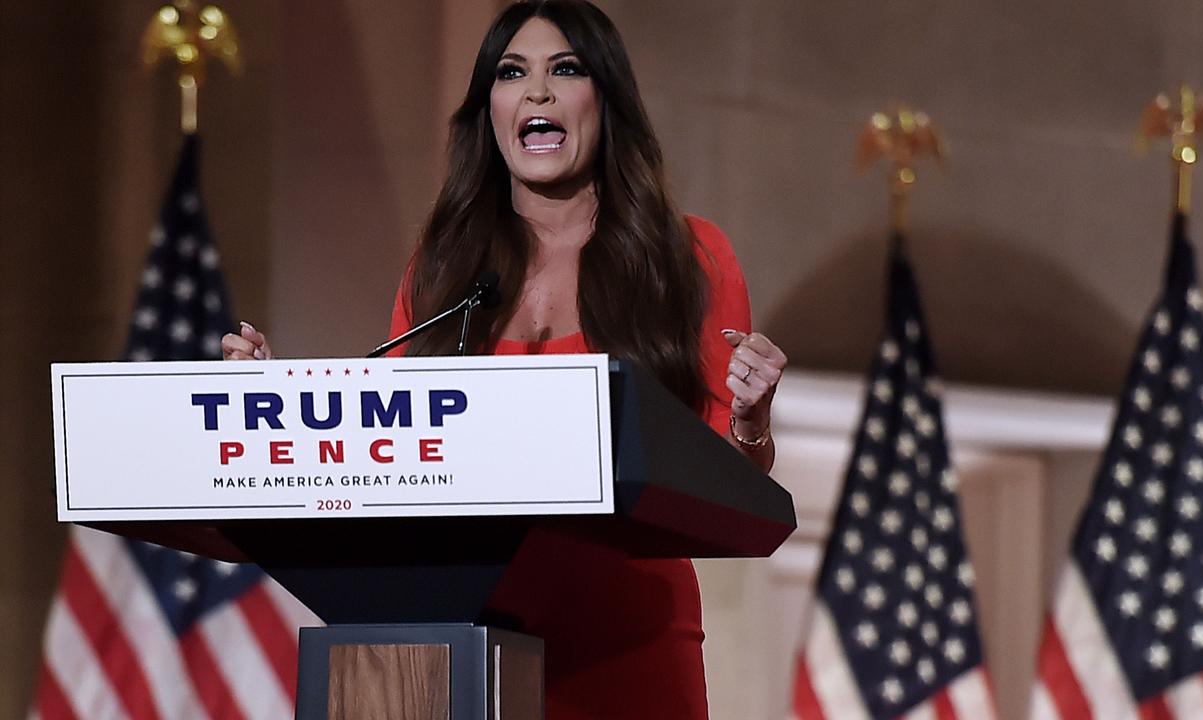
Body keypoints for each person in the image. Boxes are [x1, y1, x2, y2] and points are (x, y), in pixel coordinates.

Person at [223, 1, 787, 716]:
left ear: (605, 99)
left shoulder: (687, 259)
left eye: (566, 70)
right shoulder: (443, 270)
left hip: (630, 635)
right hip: (458, 637)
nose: (538, 93)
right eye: (512, 73)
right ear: (490, 108)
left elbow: (729, 485)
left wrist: (751, 422)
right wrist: (288, 411)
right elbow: (395, 454)